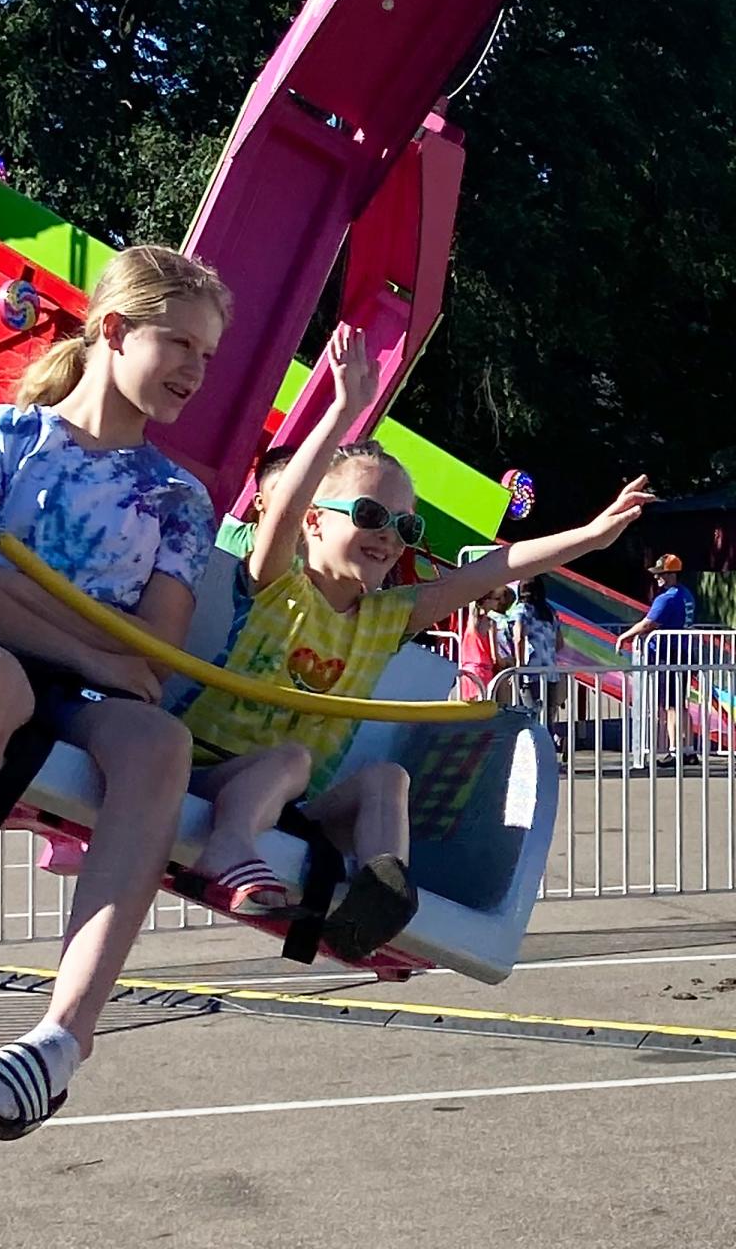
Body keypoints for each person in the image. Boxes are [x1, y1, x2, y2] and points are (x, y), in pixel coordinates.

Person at [0, 244, 232, 1141]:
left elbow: (155, 648)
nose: (195, 370)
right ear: (113, 331)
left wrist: (21, 594)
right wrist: (83, 643)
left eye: (207, 355)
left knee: (160, 745)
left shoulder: (179, 497)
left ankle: (66, 1035)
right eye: (179, 343)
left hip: (81, 683)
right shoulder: (2, 435)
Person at [176, 324, 654, 958]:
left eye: (405, 525)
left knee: (387, 780)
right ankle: (227, 848)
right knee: (289, 759)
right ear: (315, 524)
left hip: (298, 803)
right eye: (371, 516)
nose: (389, 535)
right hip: (208, 772)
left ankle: (380, 897)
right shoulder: (274, 583)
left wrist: (589, 538)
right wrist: (343, 408)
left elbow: (496, 569)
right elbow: (284, 506)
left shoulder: (384, 619)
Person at [615, 553, 697, 766]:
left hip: (669, 655)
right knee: (680, 704)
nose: (657, 578)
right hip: (684, 654)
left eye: (660, 574)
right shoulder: (686, 594)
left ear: (671, 574)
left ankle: (675, 750)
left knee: (671, 706)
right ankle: (688, 749)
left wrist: (625, 636)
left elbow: (648, 623)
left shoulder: (667, 598)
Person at [215, 444, 297, 558]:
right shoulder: (221, 533)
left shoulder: (309, 563)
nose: (292, 496)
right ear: (259, 501)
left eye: (301, 489)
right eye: (281, 489)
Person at [513, 575, 565, 749]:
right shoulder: (550, 611)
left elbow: (519, 636)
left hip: (531, 671)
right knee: (548, 716)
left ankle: (538, 755)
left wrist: (519, 665)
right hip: (550, 671)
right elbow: (560, 643)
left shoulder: (522, 610)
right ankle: (552, 744)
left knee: (531, 715)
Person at [460, 594, 498, 700]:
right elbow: (495, 657)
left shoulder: (470, 622)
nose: (498, 602)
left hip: (467, 670)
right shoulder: (490, 623)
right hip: (483, 671)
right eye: (496, 599)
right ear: (486, 601)